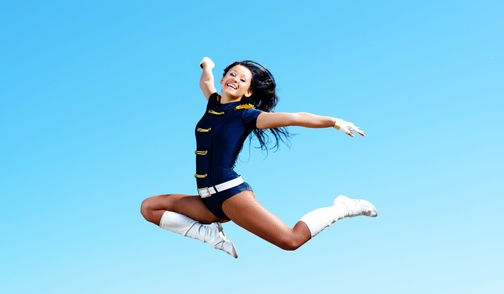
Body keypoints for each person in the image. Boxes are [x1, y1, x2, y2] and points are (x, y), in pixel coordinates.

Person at [140, 57, 377, 258]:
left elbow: (295, 117)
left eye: (243, 80)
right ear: (224, 80)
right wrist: (207, 66)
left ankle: (344, 207)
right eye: (232, 74)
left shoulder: (248, 115)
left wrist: (333, 122)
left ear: (248, 92)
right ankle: (208, 234)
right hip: (206, 202)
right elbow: (206, 82)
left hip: (230, 195)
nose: (235, 79)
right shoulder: (212, 104)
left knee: (290, 240)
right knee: (149, 208)